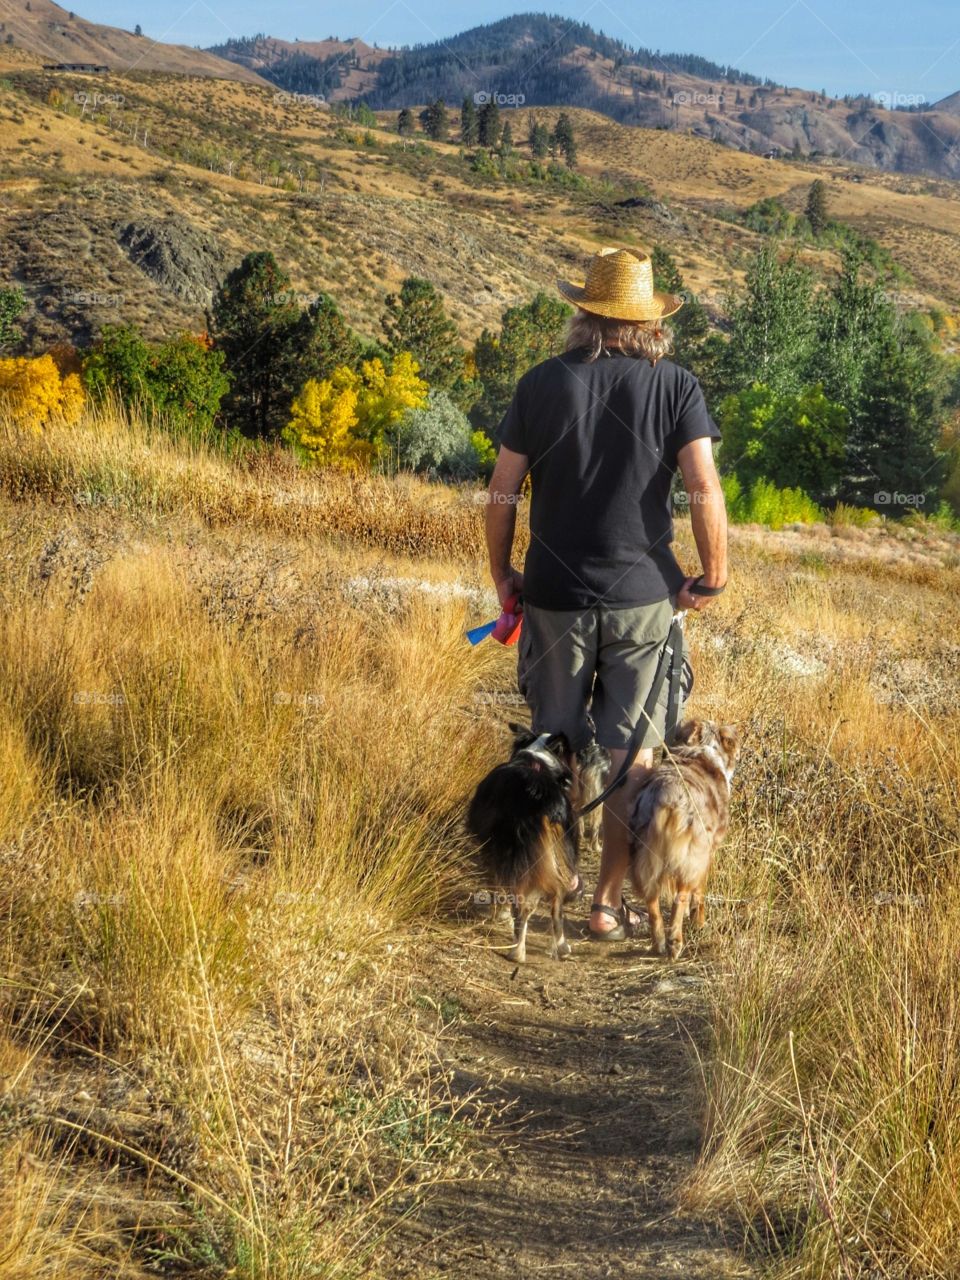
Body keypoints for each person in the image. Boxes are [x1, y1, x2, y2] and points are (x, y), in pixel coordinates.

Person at [484, 246, 728, 940]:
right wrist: (713, 574)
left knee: (550, 747)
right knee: (633, 759)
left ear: (584, 314)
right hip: (644, 597)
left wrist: (504, 575)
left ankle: (543, 883)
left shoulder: (540, 385)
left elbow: (503, 490)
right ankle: (604, 905)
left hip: (555, 591)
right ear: (651, 323)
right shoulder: (676, 387)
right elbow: (704, 487)